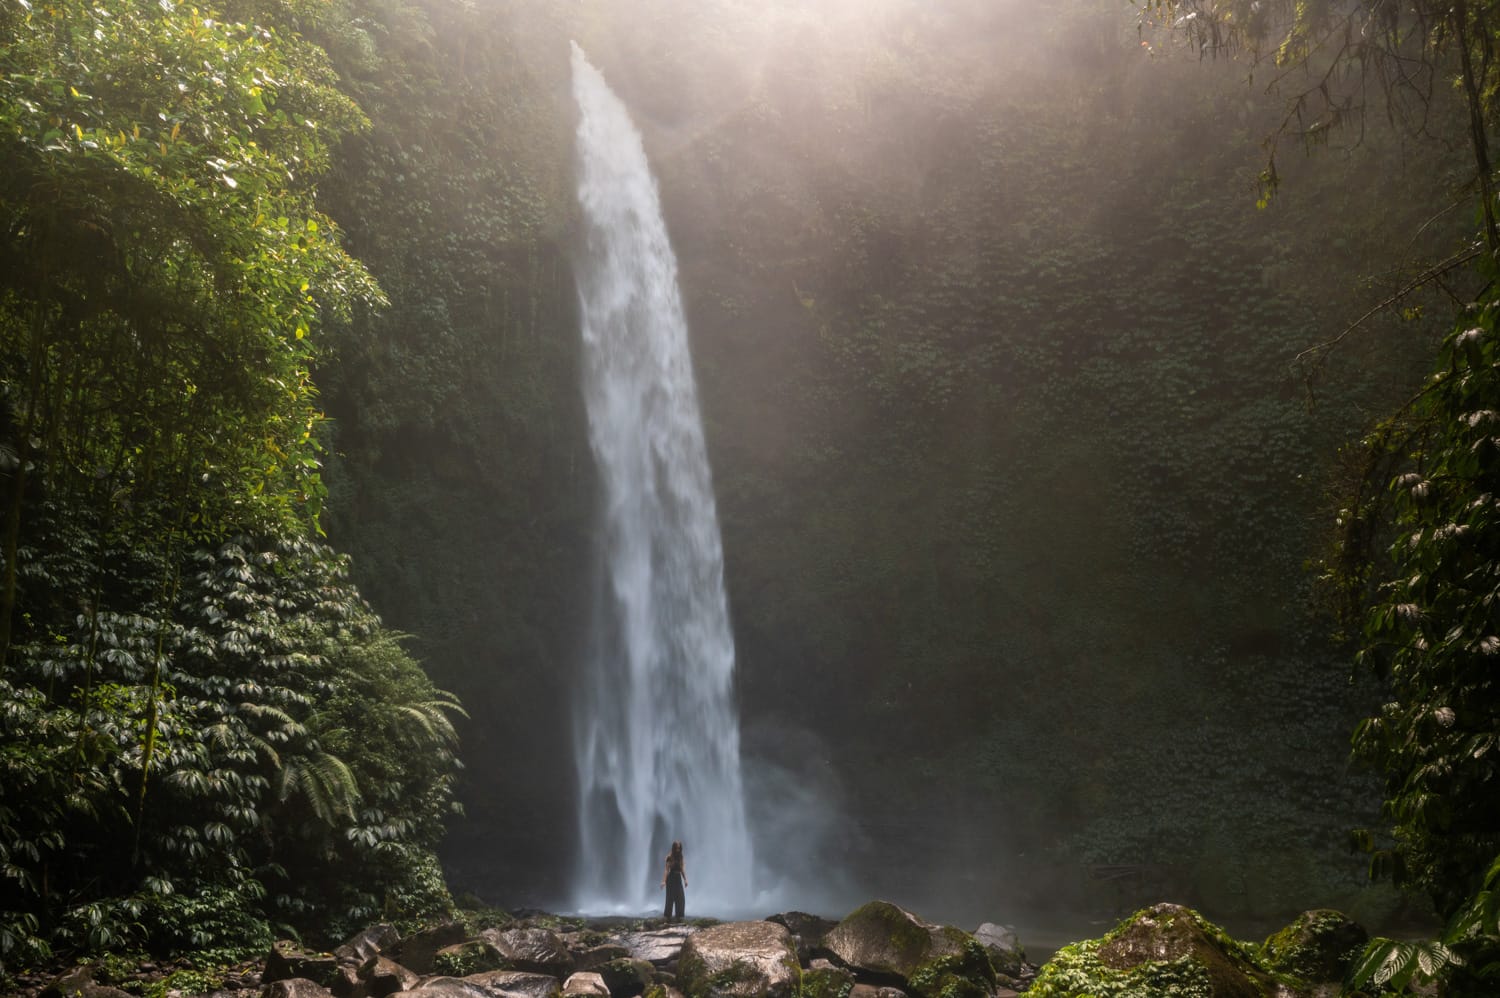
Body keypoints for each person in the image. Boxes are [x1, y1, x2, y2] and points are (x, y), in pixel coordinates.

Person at [660, 840, 687, 921]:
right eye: (676, 848)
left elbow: (682, 869)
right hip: (671, 878)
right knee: (670, 898)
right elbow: (666, 870)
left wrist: (685, 879)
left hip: (678, 878)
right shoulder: (669, 857)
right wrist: (664, 881)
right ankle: (667, 917)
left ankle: (679, 917)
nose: (678, 850)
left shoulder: (680, 857)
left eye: (679, 848)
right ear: (673, 848)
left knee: (680, 897)